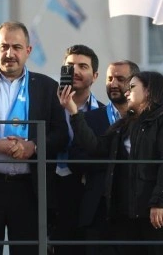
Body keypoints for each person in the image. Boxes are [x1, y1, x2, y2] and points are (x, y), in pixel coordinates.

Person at [0, 22, 68, 255]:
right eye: (4, 47)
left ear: (28, 50)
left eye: (16, 47)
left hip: (29, 189)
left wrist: (33, 146)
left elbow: (61, 135)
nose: (10, 53)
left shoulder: (47, 87)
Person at [66, 71, 163, 255]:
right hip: (129, 215)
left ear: (148, 91)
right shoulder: (126, 123)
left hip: (161, 213)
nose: (126, 92)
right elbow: (96, 146)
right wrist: (74, 112)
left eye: (132, 87)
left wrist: (159, 201)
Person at [71, 60, 140, 252]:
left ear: (134, 82)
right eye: (110, 79)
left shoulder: (145, 120)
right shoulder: (89, 119)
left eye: (120, 79)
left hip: (134, 210)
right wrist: (110, 162)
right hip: (97, 210)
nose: (113, 84)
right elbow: (74, 158)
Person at [52, 45, 104, 255]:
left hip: (83, 190)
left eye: (83, 66)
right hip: (49, 185)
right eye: (70, 65)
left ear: (95, 75)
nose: (75, 71)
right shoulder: (47, 105)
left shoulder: (102, 113)